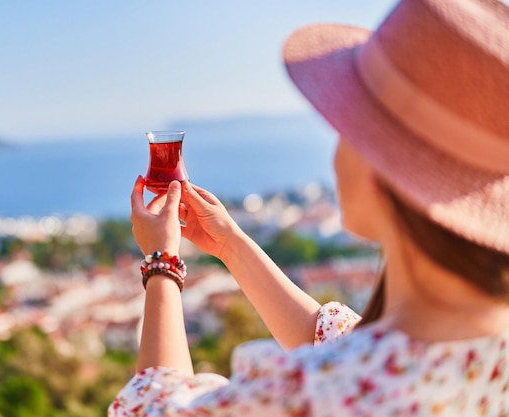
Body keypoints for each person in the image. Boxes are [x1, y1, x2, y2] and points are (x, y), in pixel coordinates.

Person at [110, 0, 509, 414]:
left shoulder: (319, 390)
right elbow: (332, 337)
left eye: (346, 128)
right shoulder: (480, 349)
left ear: (380, 166)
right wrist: (230, 245)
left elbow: (149, 408)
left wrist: (162, 263)